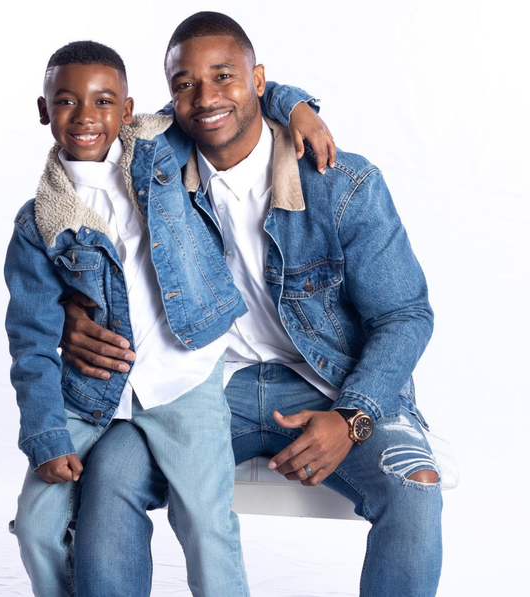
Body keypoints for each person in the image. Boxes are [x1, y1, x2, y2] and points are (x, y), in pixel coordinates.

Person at [65, 12, 443, 597]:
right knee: (109, 472)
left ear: (258, 80)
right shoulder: (152, 167)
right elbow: (71, 200)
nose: (205, 98)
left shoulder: (341, 182)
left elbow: (405, 316)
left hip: (329, 382)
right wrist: (70, 310)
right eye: (185, 84)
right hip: (203, 384)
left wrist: (352, 416)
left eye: (224, 77)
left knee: (414, 484)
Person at [4, 40, 336, 597]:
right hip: (91, 393)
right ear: (44, 110)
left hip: (185, 375)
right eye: (65, 101)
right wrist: (45, 433)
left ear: (127, 110)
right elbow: (29, 340)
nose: (86, 117)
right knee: (37, 526)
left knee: (206, 523)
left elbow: (220, 101)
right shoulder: (39, 222)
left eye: (103, 102)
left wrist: (298, 106)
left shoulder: (157, 148)